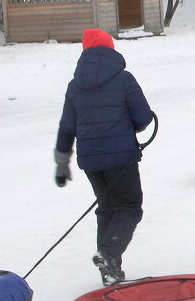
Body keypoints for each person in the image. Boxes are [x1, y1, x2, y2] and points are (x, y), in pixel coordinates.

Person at [55, 28, 154, 287]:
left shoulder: (75, 86)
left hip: (91, 162)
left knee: (107, 209)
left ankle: (110, 271)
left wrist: (62, 163)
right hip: (122, 159)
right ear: (110, 49)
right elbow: (143, 118)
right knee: (129, 208)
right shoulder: (124, 79)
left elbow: (67, 127)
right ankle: (109, 254)